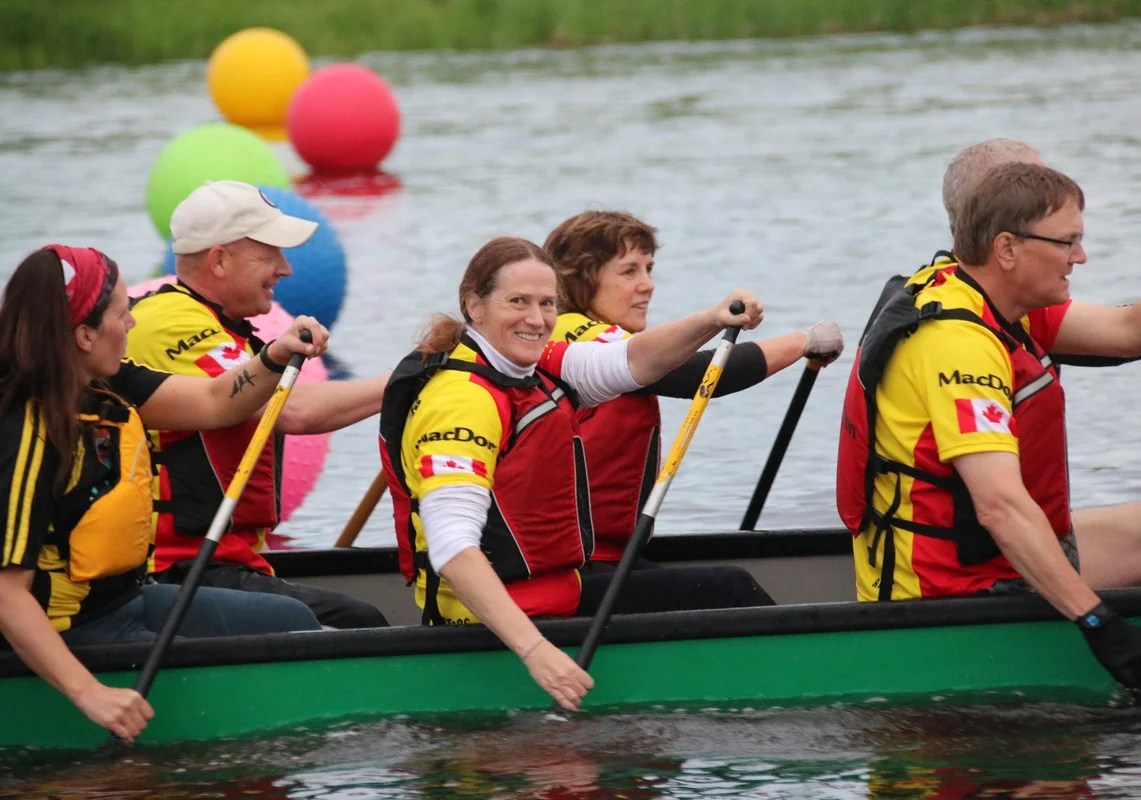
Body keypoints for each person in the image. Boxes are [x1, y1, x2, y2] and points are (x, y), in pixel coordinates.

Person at [835, 156, 1141, 690]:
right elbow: (1000, 506)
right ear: (1007, 248)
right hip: (954, 585)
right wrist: (1097, 622)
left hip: (989, 555)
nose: (1081, 257)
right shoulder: (957, 343)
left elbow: (1129, 331)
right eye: (1067, 242)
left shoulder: (988, 294)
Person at [378, 236, 775, 711]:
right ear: (474, 306)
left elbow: (633, 361)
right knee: (726, 590)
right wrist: (536, 651)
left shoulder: (527, 370)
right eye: (518, 302)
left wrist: (713, 319)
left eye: (547, 304)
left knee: (721, 586)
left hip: (556, 597)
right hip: (496, 624)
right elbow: (452, 548)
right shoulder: (461, 399)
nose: (537, 319)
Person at [0, 244, 326, 742]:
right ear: (84, 335)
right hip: (70, 630)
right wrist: (90, 694)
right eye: (119, 314)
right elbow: (5, 594)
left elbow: (215, 401)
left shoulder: (106, 383)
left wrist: (274, 355)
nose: (131, 324)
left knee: (292, 620)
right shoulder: (24, 429)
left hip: (124, 600)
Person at [125, 180, 389, 629]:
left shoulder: (218, 323)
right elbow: (292, 411)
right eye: (269, 254)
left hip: (228, 563)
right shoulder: (168, 322)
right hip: (173, 571)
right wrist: (406, 379)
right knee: (357, 621)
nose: (285, 269)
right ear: (219, 259)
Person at [543, 210, 844, 564]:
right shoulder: (574, 332)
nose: (648, 284)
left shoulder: (594, 333)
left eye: (649, 269)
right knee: (734, 589)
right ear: (579, 280)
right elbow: (697, 376)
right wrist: (804, 341)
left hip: (608, 553)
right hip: (579, 562)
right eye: (629, 271)